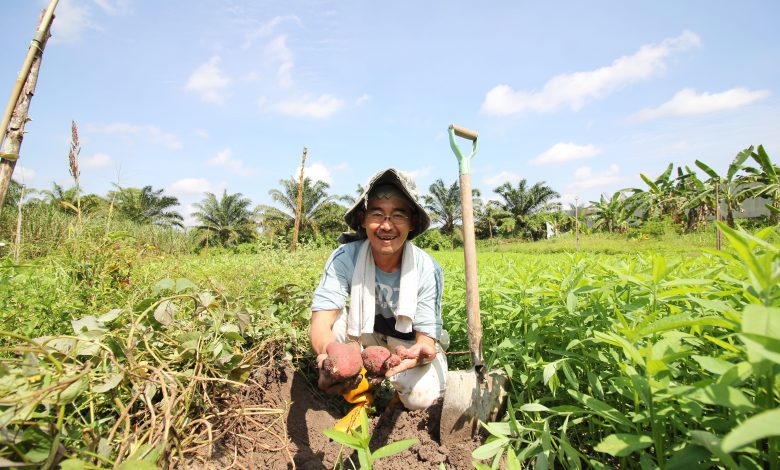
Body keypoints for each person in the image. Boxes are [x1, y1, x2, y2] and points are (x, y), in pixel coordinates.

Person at [310, 168, 448, 431]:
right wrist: (327, 355)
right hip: (365, 333)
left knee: (422, 397)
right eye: (377, 214)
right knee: (335, 327)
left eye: (398, 215)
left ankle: (398, 398)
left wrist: (421, 351)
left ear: (412, 222)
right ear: (363, 219)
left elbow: (425, 338)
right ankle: (361, 398)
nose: (386, 225)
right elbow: (321, 320)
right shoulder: (345, 258)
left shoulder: (427, 269)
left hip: (406, 344)